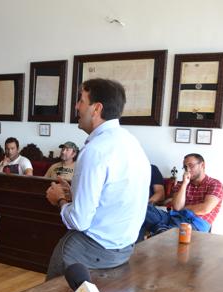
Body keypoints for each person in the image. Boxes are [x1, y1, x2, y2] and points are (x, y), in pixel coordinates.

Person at [44, 78, 150, 280]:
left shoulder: (95, 150)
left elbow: (79, 221)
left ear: (96, 108)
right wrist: (75, 192)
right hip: (123, 249)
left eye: (81, 101)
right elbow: (112, 198)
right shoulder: (131, 142)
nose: (76, 106)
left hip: (90, 251)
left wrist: (60, 199)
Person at [140, 154, 223, 238]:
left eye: (191, 165)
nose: (188, 170)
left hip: (194, 224)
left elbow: (204, 209)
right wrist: (184, 184)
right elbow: (177, 207)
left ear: (202, 165)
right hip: (173, 217)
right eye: (185, 167)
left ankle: (162, 230)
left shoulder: (215, 184)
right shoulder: (181, 184)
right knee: (141, 208)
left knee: (167, 234)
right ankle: (162, 229)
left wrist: (183, 208)